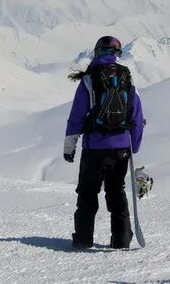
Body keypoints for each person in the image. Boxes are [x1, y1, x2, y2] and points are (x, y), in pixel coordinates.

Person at [63, 35, 145, 249]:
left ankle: (83, 239)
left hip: (94, 147)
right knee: (116, 191)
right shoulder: (127, 77)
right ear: (117, 54)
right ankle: (121, 239)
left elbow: (76, 117)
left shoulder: (89, 79)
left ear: (97, 52)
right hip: (121, 147)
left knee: (88, 193)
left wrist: (69, 147)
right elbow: (137, 116)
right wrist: (134, 146)